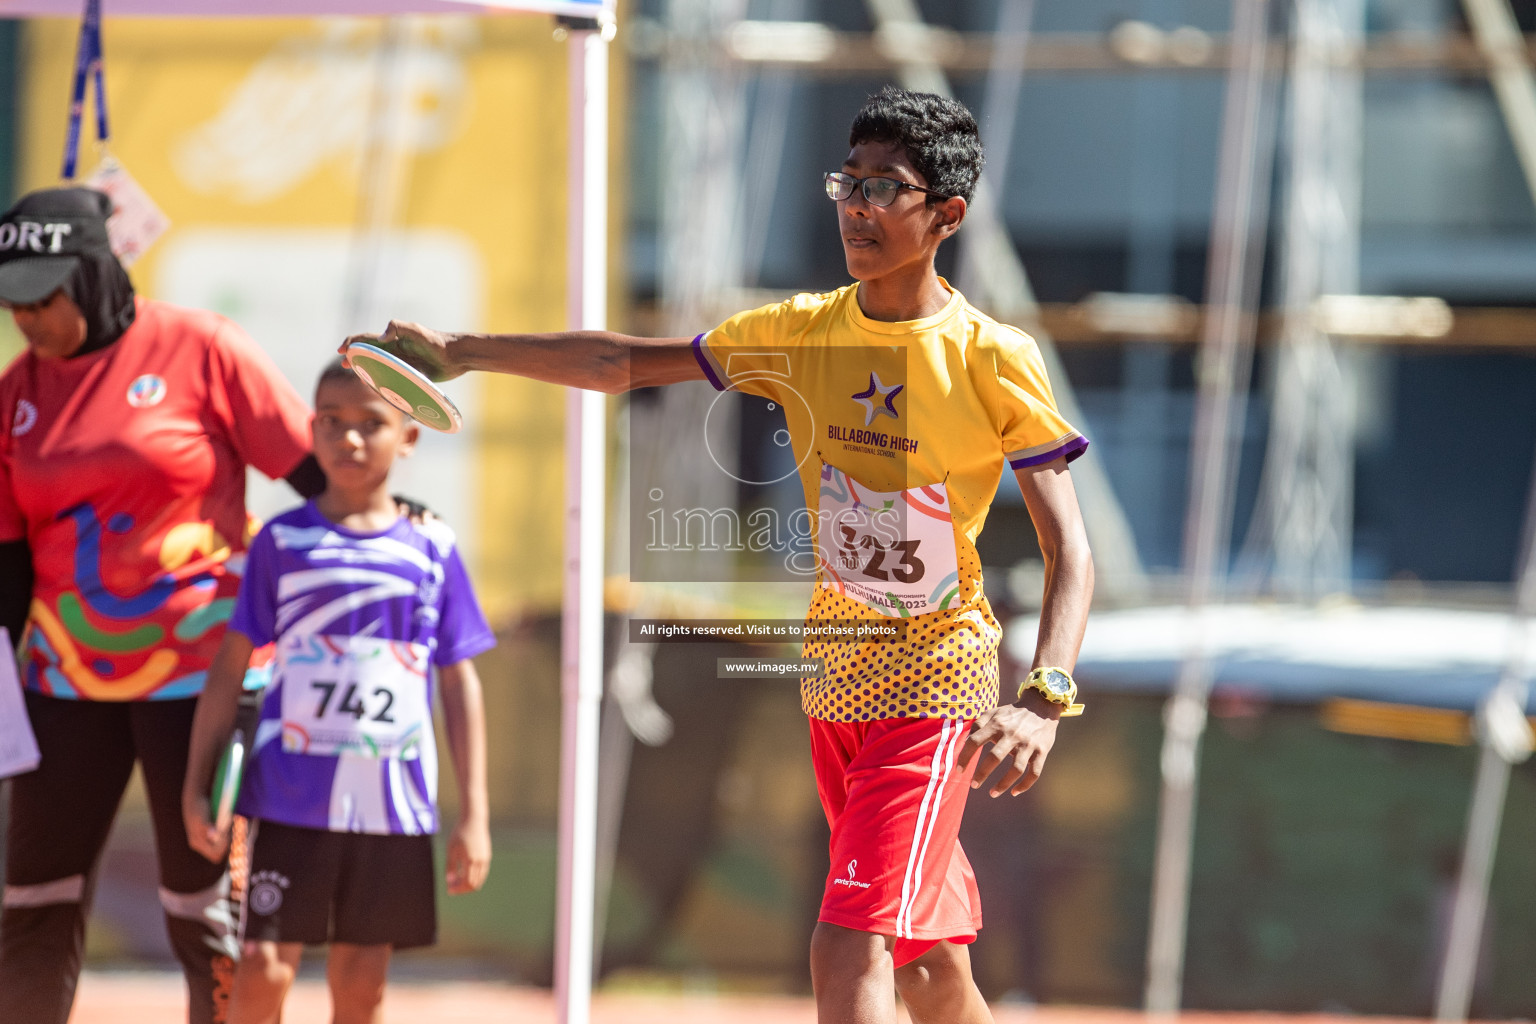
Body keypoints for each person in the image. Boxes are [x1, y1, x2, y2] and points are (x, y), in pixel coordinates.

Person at [345, 86, 1094, 1024]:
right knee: (928, 966)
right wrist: (466, 349)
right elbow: (623, 362)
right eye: (846, 182)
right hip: (837, 685)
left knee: (845, 945)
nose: (856, 206)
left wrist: (1046, 694)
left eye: (885, 188)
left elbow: (1072, 551)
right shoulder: (803, 329)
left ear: (946, 214)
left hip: (936, 689)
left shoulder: (991, 355)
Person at [0, 186, 325, 1024]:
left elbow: (319, 478)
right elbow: (5, 561)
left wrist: (382, 539)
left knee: (204, 909)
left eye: (46, 296)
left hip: (203, 679)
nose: (29, 318)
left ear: (98, 275)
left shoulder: (201, 347)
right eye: (13, 301)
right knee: (34, 901)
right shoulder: (14, 393)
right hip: (60, 683)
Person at [182, 359, 494, 1024]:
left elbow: (459, 679)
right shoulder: (283, 541)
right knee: (263, 970)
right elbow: (229, 667)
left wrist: (475, 813)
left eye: (371, 424)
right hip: (289, 800)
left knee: (361, 984)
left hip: (390, 807)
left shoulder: (432, 549)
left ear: (408, 437)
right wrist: (196, 782)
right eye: (332, 422)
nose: (349, 439)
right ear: (311, 428)